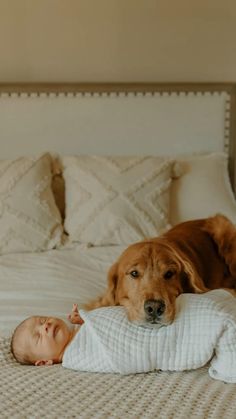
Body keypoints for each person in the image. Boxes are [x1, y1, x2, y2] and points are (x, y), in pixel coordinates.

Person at [11, 304, 83, 366]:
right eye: (38, 337)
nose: (45, 325)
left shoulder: (76, 328)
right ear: (43, 362)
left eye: (43, 320)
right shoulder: (73, 357)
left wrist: (81, 318)